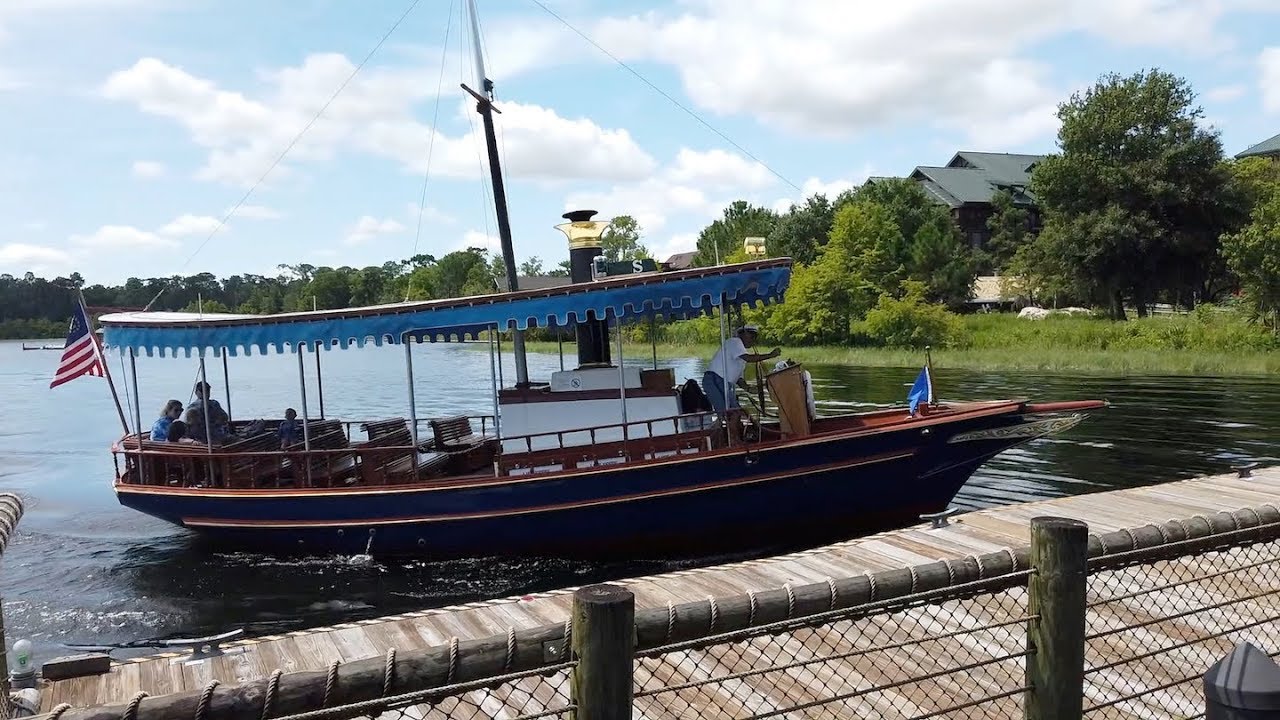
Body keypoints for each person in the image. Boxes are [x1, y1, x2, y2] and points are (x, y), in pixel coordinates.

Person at [702, 325, 780, 435]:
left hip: (725, 383)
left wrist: (749, 388)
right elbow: (749, 358)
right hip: (715, 380)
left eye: (755, 337)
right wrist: (771, 355)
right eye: (751, 336)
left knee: (735, 413)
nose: (753, 340)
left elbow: (739, 379)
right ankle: (730, 439)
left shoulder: (740, 355)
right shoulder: (735, 342)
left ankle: (735, 435)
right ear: (743, 334)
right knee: (730, 414)